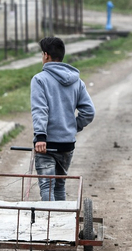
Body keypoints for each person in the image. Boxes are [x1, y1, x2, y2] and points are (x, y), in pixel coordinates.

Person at [30, 37, 95, 201]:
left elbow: (40, 109)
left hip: (46, 144)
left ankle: (50, 225)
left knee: (47, 187)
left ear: (46, 55)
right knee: (59, 186)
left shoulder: (40, 79)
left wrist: (40, 136)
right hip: (67, 144)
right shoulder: (77, 81)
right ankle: (62, 224)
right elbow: (89, 112)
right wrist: (72, 126)